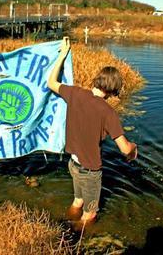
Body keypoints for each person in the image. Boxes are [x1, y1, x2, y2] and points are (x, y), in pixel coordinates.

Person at [47, 37, 138, 230]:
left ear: (97, 80)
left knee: (77, 201)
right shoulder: (108, 112)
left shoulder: (75, 93)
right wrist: (133, 149)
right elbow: (124, 149)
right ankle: (74, 239)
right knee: (90, 213)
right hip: (90, 170)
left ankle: (62, 225)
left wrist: (62, 55)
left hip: (73, 163)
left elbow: (51, 82)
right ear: (113, 91)